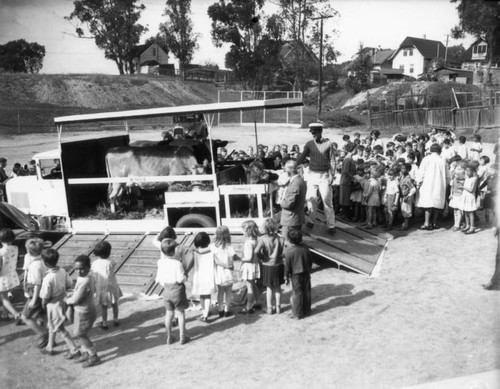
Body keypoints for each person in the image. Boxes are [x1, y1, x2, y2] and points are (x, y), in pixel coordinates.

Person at [296, 122, 337, 233]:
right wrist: (293, 166)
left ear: (320, 132)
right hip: (312, 175)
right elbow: (302, 156)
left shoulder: (329, 144)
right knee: (311, 199)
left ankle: (331, 225)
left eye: (315, 133)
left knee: (327, 201)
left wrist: (332, 175)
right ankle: (311, 220)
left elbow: (333, 160)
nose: (313, 135)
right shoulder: (309, 144)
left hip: (324, 175)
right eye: (312, 133)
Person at [39, 248, 78, 356]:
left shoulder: (48, 278)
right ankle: (49, 347)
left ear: (45, 262)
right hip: (62, 300)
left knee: (60, 328)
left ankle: (74, 349)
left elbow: (45, 295)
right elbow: (69, 283)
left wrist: (43, 303)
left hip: (53, 304)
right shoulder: (62, 271)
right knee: (52, 325)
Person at [65, 255, 101, 367]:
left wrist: (67, 300)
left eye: (82, 268)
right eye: (76, 269)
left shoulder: (85, 280)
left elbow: (76, 299)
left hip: (83, 311)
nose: (79, 271)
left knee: (80, 334)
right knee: (80, 333)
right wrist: (74, 294)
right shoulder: (89, 277)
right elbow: (81, 292)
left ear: (88, 267)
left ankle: (93, 355)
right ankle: (85, 352)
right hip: (86, 308)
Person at [155, 238, 190, 344]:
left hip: (167, 289)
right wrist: (185, 277)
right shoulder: (177, 264)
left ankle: (169, 336)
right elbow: (180, 278)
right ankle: (182, 336)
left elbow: (158, 278)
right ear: (175, 250)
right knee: (180, 313)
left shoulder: (160, 262)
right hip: (177, 289)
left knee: (169, 314)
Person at [20, 238, 48, 347]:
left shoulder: (35, 266)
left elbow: (37, 284)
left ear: (28, 252)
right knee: (39, 314)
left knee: (25, 317)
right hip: (39, 293)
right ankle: (47, 334)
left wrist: (34, 300)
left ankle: (42, 334)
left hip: (36, 294)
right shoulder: (41, 261)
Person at [255, 218, 285, 315]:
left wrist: (262, 257)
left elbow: (256, 251)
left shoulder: (262, 239)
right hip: (278, 264)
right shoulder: (280, 239)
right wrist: (280, 256)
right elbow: (285, 252)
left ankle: (269, 308)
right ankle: (278, 307)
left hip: (267, 265)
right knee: (278, 287)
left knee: (269, 288)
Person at [415, 144, 449, 230]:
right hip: (439, 184)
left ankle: (426, 222)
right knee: (436, 203)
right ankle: (434, 223)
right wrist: (447, 184)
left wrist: (418, 183)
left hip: (427, 183)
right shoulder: (442, 160)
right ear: (439, 151)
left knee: (428, 203)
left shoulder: (426, 159)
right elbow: (447, 175)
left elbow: (421, 172)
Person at [91, 241, 122, 329]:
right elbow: (113, 265)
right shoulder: (111, 261)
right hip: (112, 286)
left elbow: (93, 273)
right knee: (114, 304)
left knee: (104, 306)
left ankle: (104, 323)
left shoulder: (94, 263)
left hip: (101, 287)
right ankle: (115, 319)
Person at [210, 225, 238, 318]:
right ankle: (227, 310)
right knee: (229, 292)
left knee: (220, 292)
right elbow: (232, 259)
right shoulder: (229, 247)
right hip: (228, 272)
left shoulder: (213, 247)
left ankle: (220, 310)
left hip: (219, 273)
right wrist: (230, 265)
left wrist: (223, 265)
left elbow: (216, 260)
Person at [284, 229, 312, 320]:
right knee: (306, 292)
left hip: (295, 275)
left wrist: (286, 276)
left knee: (297, 294)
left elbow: (287, 265)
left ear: (289, 239)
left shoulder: (289, 251)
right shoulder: (305, 248)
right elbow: (310, 260)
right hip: (306, 273)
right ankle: (307, 310)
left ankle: (296, 313)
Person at [279, 159, 307, 240]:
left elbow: (288, 204)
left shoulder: (295, 183)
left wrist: (281, 202)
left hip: (290, 220)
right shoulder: (300, 181)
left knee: (288, 242)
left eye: (285, 170)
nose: (285, 172)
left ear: (289, 170)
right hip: (297, 218)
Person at [192, 232, 216, 322]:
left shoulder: (195, 251)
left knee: (201, 294)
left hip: (199, 275)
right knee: (208, 295)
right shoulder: (211, 249)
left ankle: (204, 313)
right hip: (209, 274)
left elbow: (191, 262)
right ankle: (206, 313)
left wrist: (186, 270)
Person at [239, 220, 261, 314]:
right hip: (254, 265)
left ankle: (249, 307)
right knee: (254, 285)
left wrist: (240, 259)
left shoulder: (248, 243)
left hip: (249, 266)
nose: (242, 231)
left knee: (250, 287)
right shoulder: (256, 240)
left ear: (248, 230)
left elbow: (248, 257)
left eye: (244, 229)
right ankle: (257, 302)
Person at [0, 229, 21, 323]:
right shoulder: (16, 248)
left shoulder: (1, 252)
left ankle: (16, 314)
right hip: (12, 276)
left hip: (3, 278)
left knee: (4, 299)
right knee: (5, 296)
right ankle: (4, 315)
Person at [339, 142, 357, 221]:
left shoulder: (349, 159)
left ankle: (345, 215)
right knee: (345, 199)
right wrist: (353, 178)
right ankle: (346, 215)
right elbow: (346, 171)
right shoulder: (348, 159)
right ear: (352, 150)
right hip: (346, 181)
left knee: (346, 199)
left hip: (347, 181)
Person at [460, 163, 479, 234]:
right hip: (465, 196)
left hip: (470, 197)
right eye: (466, 171)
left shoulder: (475, 179)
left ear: (473, 171)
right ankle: (467, 225)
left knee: (470, 212)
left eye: (468, 171)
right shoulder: (467, 178)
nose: (467, 173)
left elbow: (472, 190)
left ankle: (472, 227)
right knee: (465, 212)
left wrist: (463, 187)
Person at [448, 160, 467, 231]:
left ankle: (458, 224)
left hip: (460, 196)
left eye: (460, 169)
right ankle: (455, 223)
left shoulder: (464, 180)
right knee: (455, 211)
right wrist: (451, 194)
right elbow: (452, 187)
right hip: (454, 196)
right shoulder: (454, 179)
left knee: (459, 210)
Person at [398, 163, 416, 231]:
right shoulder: (402, 177)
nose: (402, 170)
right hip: (402, 196)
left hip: (406, 197)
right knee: (403, 210)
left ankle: (405, 225)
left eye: (404, 169)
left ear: (408, 170)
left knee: (406, 211)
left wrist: (408, 196)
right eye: (401, 168)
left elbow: (413, 189)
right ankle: (404, 224)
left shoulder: (408, 179)